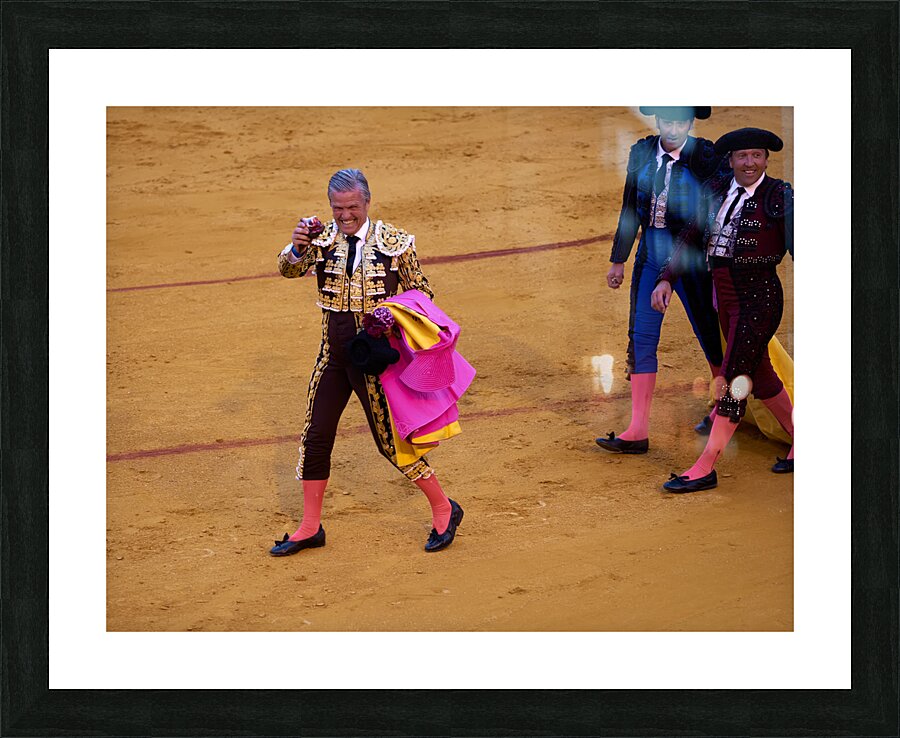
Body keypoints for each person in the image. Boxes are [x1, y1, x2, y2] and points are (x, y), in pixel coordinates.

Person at [270, 168, 464, 554]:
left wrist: (392, 313)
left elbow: (422, 293)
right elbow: (288, 270)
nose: (344, 216)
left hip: (375, 358)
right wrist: (295, 248)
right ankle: (310, 527)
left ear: (367, 203)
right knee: (316, 436)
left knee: (391, 442)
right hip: (333, 355)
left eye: (352, 207)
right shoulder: (321, 237)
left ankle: (444, 507)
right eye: (338, 208)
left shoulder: (395, 242)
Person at [651, 128, 794, 492]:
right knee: (759, 375)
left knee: (734, 380)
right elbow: (690, 236)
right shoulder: (716, 191)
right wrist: (667, 277)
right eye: (742, 156)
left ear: (766, 159)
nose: (750, 163)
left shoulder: (779, 196)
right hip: (727, 299)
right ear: (730, 161)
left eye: (757, 155)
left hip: (759, 297)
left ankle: (705, 466)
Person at [596, 106, 726, 455]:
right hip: (650, 254)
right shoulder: (641, 152)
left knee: (710, 334)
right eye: (666, 120)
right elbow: (629, 206)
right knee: (641, 337)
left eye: (679, 121)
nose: (672, 127)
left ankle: (724, 408)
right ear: (657, 122)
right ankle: (637, 429)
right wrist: (618, 259)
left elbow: (712, 213)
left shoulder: (708, 156)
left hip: (692, 259)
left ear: (690, 123)